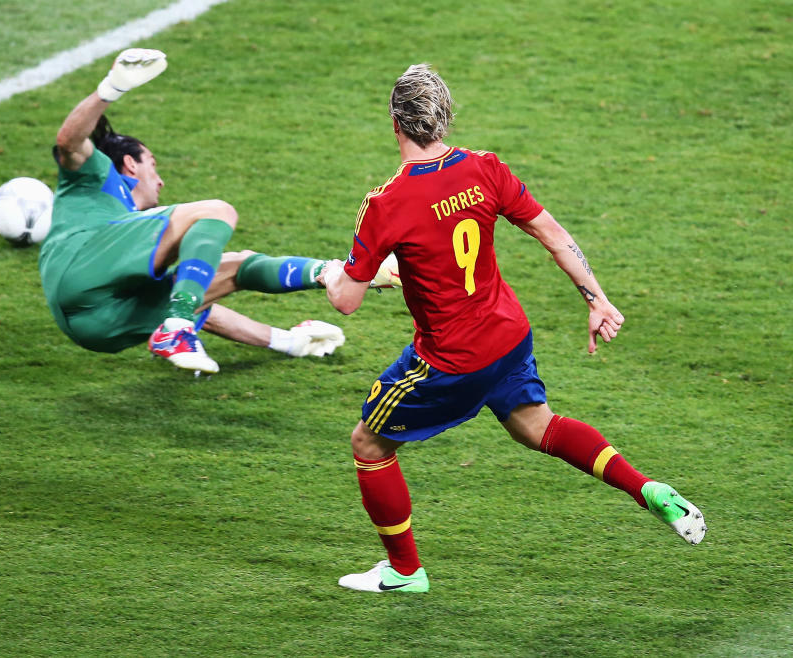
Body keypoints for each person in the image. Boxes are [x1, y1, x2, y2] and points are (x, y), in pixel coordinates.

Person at [318, 64, 707, 593]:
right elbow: (551, 232)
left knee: (368, 443)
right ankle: (647, 488)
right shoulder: (485, 168)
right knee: (536, 426)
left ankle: (405, 573)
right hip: (508, 336)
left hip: (451, 360)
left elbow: (345, 300)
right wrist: (596, 299)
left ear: (395, 124)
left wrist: (329, 272)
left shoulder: (385, 203)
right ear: (444, 119)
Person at [38, 48, 357, 374]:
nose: (160, 180)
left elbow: (202, 305)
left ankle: (331, 272)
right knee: (216, 211)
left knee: (235, 268)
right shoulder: (97, 175)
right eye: (152, 165)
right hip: (81, 268)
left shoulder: (136, 249)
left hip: (99, 327)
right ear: (131, 164)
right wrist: (111, 89)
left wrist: (288, 340)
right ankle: (176, 328)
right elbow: (69, 142)